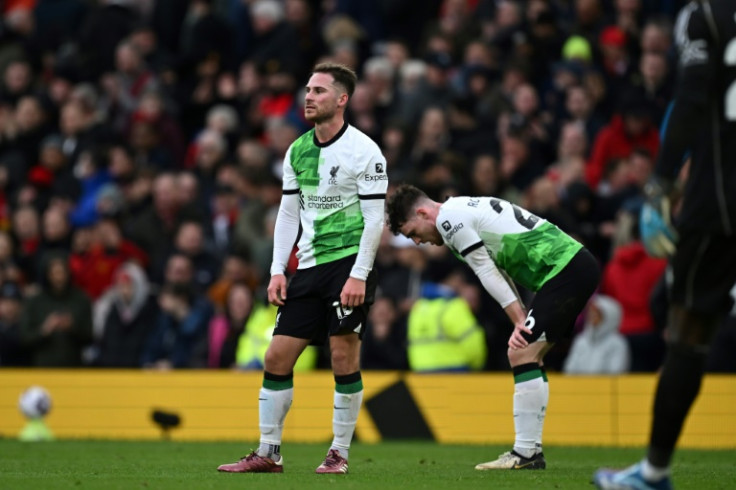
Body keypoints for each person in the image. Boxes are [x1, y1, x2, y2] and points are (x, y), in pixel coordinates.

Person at [217, 62, 387, 475]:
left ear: (342, 99)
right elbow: (288, 215)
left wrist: (359, 275)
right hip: (308, 268)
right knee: (276, 356)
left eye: (319, 91)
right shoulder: (297, 150)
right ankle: (268, 453)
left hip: (348, 263)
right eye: (307, 90)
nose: (308, 97)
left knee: (343, 356)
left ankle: (339, 454)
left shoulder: (365, 151)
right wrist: (277, 270)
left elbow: (375, 220)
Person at [594, 1, 736, 488]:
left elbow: (693, 99)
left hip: (720, 201)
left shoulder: (707, 15)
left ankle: (654, 472)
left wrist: (659, 185)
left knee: (687, 329)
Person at [386, 184, 599, 470]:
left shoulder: (449, 221)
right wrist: (520, 314)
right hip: (570, 267)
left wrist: (517, 321)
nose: (417, 242)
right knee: (529, 355)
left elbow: (486, 271)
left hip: (564, 269)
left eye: (412, 233)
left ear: (423, 213)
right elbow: (498, 267)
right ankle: (529, 451)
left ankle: (526, 453)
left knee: (520, 353)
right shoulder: (458, 209)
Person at [563, 294, 630, 375]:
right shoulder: (581, 341)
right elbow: (569, 370)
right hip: (579, 386)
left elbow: (617, 372)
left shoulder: (617, 343)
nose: (592, 316)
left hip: (606, 387)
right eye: (591, 312)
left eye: (597, 313)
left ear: (609, 315)